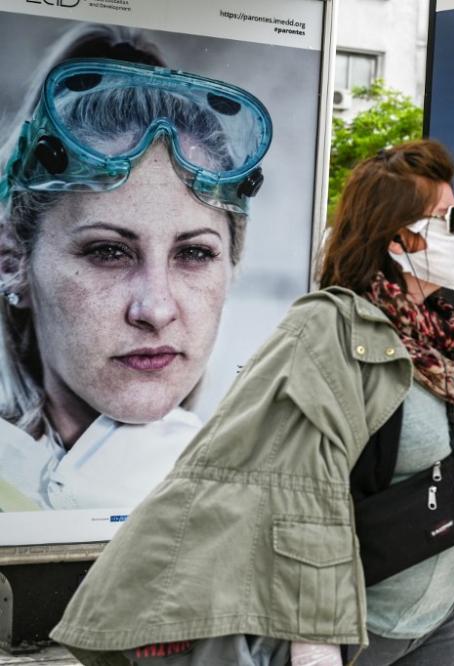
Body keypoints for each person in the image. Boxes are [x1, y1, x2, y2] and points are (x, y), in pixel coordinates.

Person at [52, 140, 454, 665]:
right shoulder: (332, 328)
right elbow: (302, 491)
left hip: (435, 623)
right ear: (399, 237)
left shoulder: (441, 345)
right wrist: (314, 644)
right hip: (359, 628)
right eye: (448, 221)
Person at [0, 24, 269, 511]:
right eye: (108, 251)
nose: (157, 309)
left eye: (194, 254)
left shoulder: (254, 494)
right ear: (12, 261)